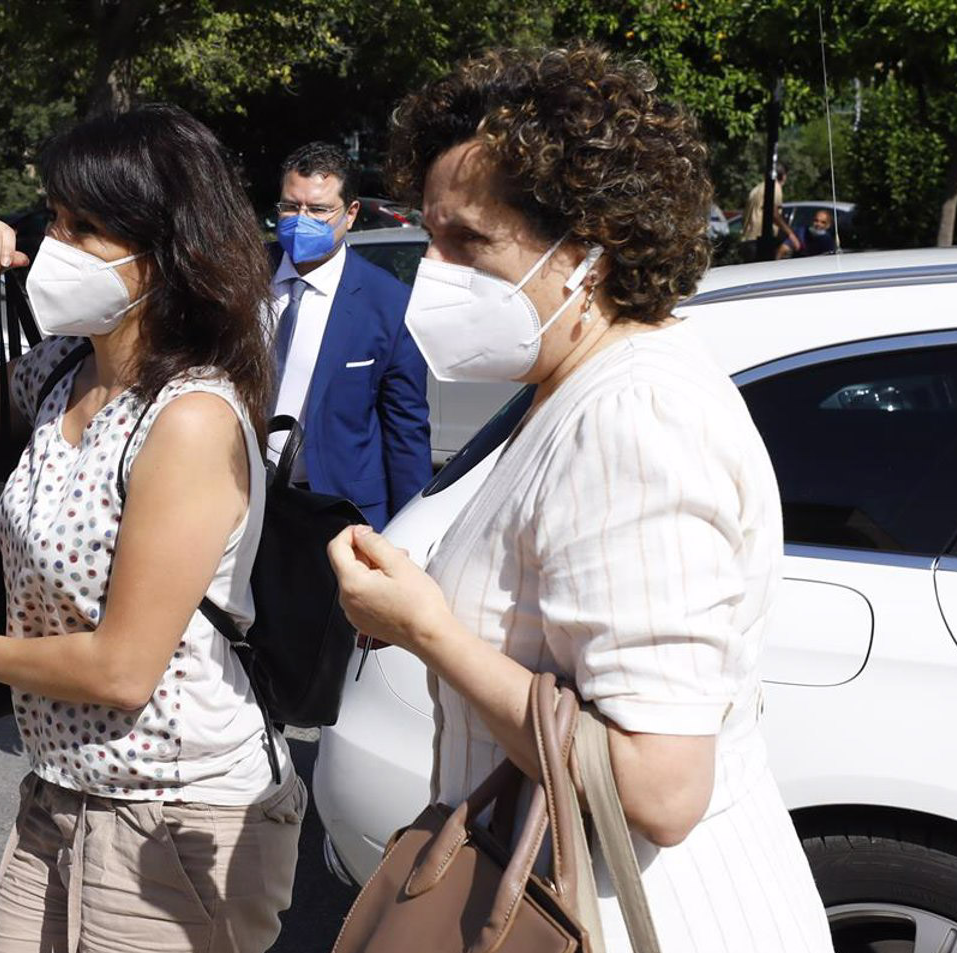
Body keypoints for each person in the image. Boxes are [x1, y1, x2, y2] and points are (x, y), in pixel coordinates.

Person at [327, 46, 834, 952]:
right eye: (430, 236)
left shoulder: (632, 416)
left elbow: (657, 788)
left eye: (467, 241)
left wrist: (427, 630)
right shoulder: (581, 381)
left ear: (589, 251)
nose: (431, 270)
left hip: (629, 915)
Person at [0, 104, 302, 953]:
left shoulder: (189, 417)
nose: (53, 245)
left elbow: (122, 668)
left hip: (173, 812)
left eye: (84, 227)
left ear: (165, 253)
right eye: (54, 218)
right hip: (63, 788)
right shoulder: (63, 369)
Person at [269, 142, 432, 529]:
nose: (301, 220)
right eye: (291, 207)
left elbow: (405, 430)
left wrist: (412, 530)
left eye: (318, 210)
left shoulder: (388, 303)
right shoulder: (241, 278)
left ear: (351, 213)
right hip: (240, 501)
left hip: (337, 512)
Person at [742, 162, 793, 262]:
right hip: (760, 241)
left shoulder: (756, 189)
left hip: (748, 239)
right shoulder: (775, 187)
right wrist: (790, 234)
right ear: (783, 176)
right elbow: (773, 213)